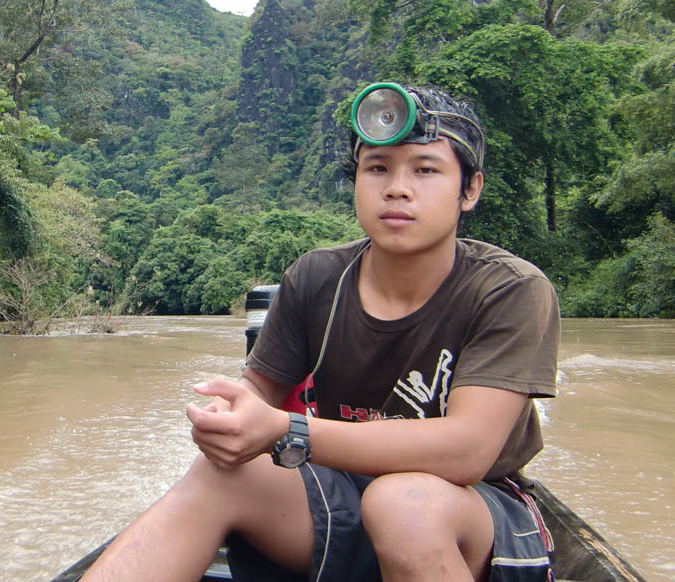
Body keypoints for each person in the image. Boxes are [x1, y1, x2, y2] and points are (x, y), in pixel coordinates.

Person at [81, 82, 559, 582]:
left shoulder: (509, 289)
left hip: (475, 511)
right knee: (222, 476)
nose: (397, 187)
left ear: (470, 189)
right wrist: (229, 414)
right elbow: (258, 390)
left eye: (425, 169)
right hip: (347, 492)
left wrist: (287, 429)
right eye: (377, 168)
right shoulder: (316, 277)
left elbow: (467, 452)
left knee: (403, 503)